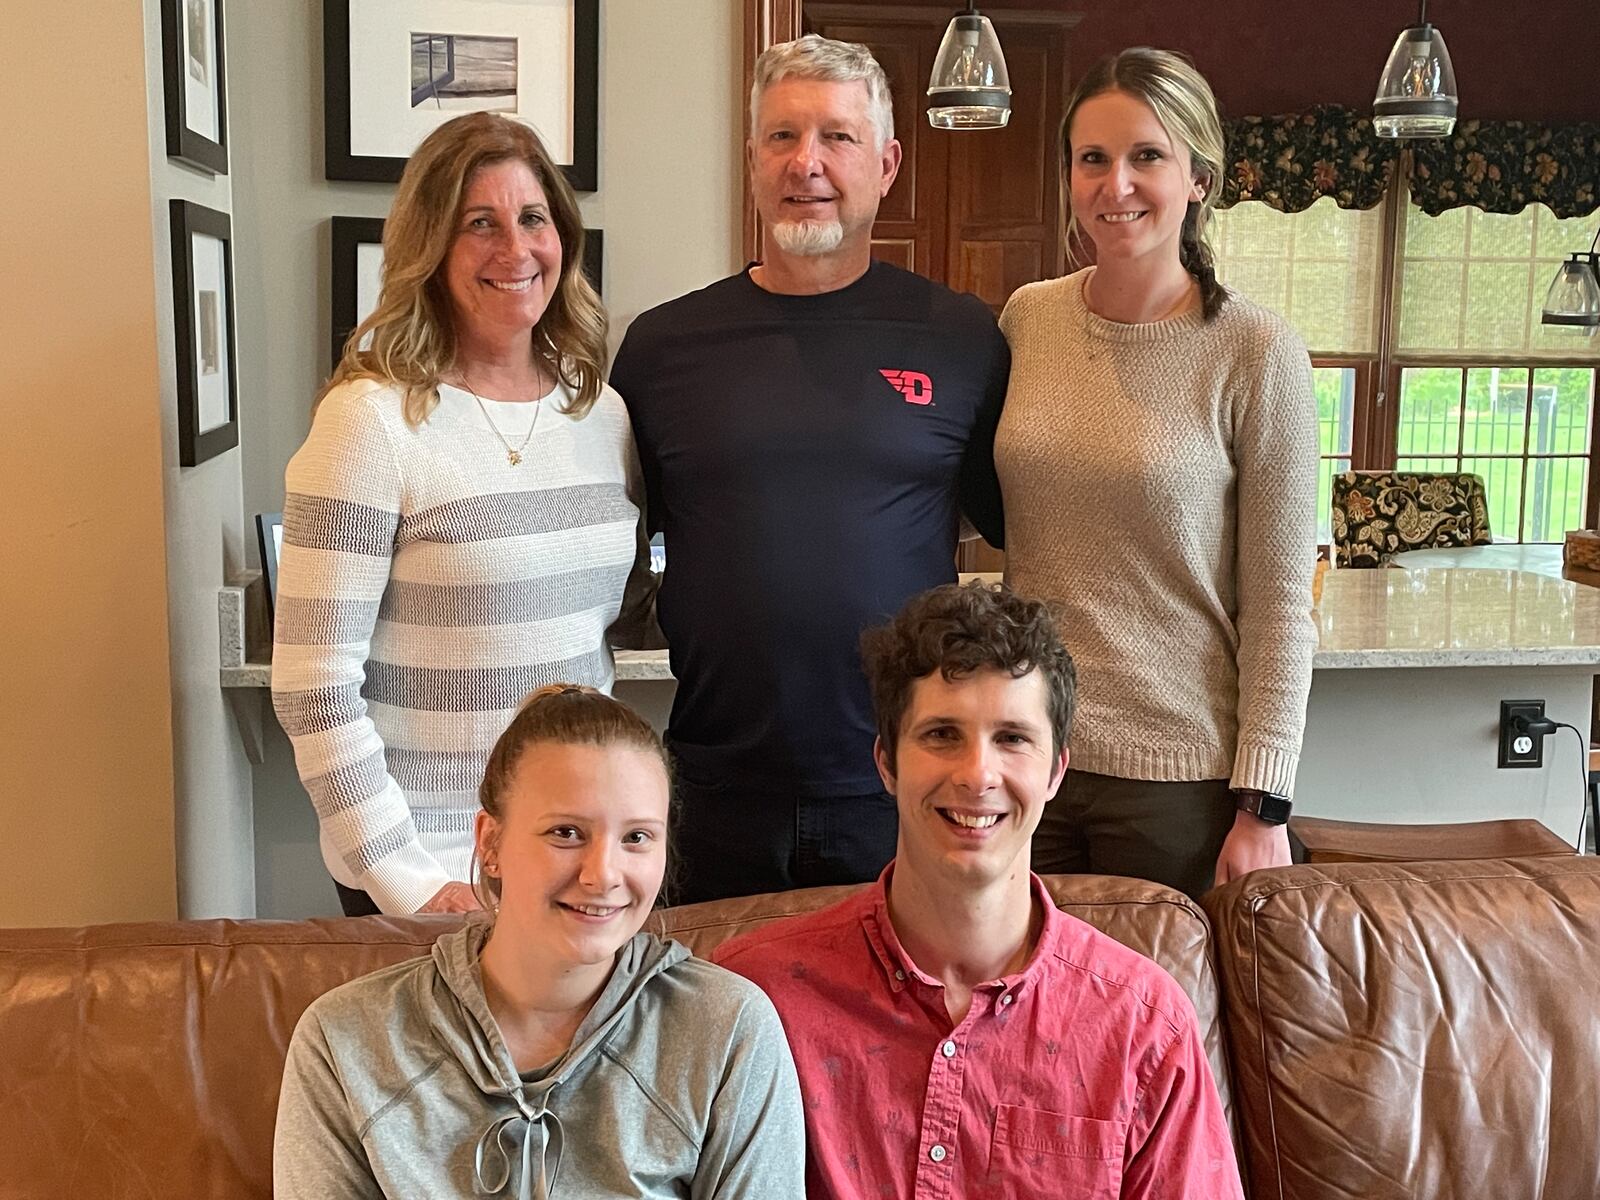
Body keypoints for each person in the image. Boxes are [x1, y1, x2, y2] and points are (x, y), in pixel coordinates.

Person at [610, 35, 1009, 906]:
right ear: (752, 159)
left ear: (887, 162)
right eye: (783, 137)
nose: (808, 163)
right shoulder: (662, 349)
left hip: (907, 783)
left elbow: (1026, 521)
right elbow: (612, 545)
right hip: (715, 784)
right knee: (715, 1035)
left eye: (838, 137)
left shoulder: (961, 337)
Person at [714, 583, 1241, 1199]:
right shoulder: (756, 999)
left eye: (1013, 738)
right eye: (941, 735)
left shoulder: (1143, 1024)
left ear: (1055, 772)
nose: (977, 775)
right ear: (887, 762)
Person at [272, 113, 656, 917]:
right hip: (434, 868)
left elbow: (595, 637)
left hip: (578, 862)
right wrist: (407, 880)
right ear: (430, 246)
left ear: (563, 236)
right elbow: (312, 686)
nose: (514, 251)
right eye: (479, 223)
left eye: (533, 218)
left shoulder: (602, 415)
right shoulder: (369, 422)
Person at [995, 47, 1319, 899]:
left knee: (1166, 1026)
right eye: (1092, 159)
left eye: (1147, 156)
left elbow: (1282, 603)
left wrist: (1265, 805)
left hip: (1178, 780)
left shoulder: (1255, 349)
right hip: (1027, 757)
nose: (1116, 184)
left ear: (1199, 179)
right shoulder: (1029, 320)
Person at [274, 684, 805, 1199]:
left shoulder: (728, 1028)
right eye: (566, 833)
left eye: (636, 837)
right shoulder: (342, 1040)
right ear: (491, 844)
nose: (603, 874)